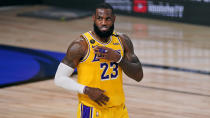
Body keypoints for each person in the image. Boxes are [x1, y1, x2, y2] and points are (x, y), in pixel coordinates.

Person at [54, 3, 143, 118]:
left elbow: (138, 75)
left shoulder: (123, 41)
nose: (104, 23)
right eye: (99, 18)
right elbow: (59, 78)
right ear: (93, 19)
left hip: (119, 110)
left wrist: (118, 58)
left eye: (108, 19)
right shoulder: (81, 45)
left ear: (114, 19)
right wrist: (86, 90)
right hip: (92, 110)